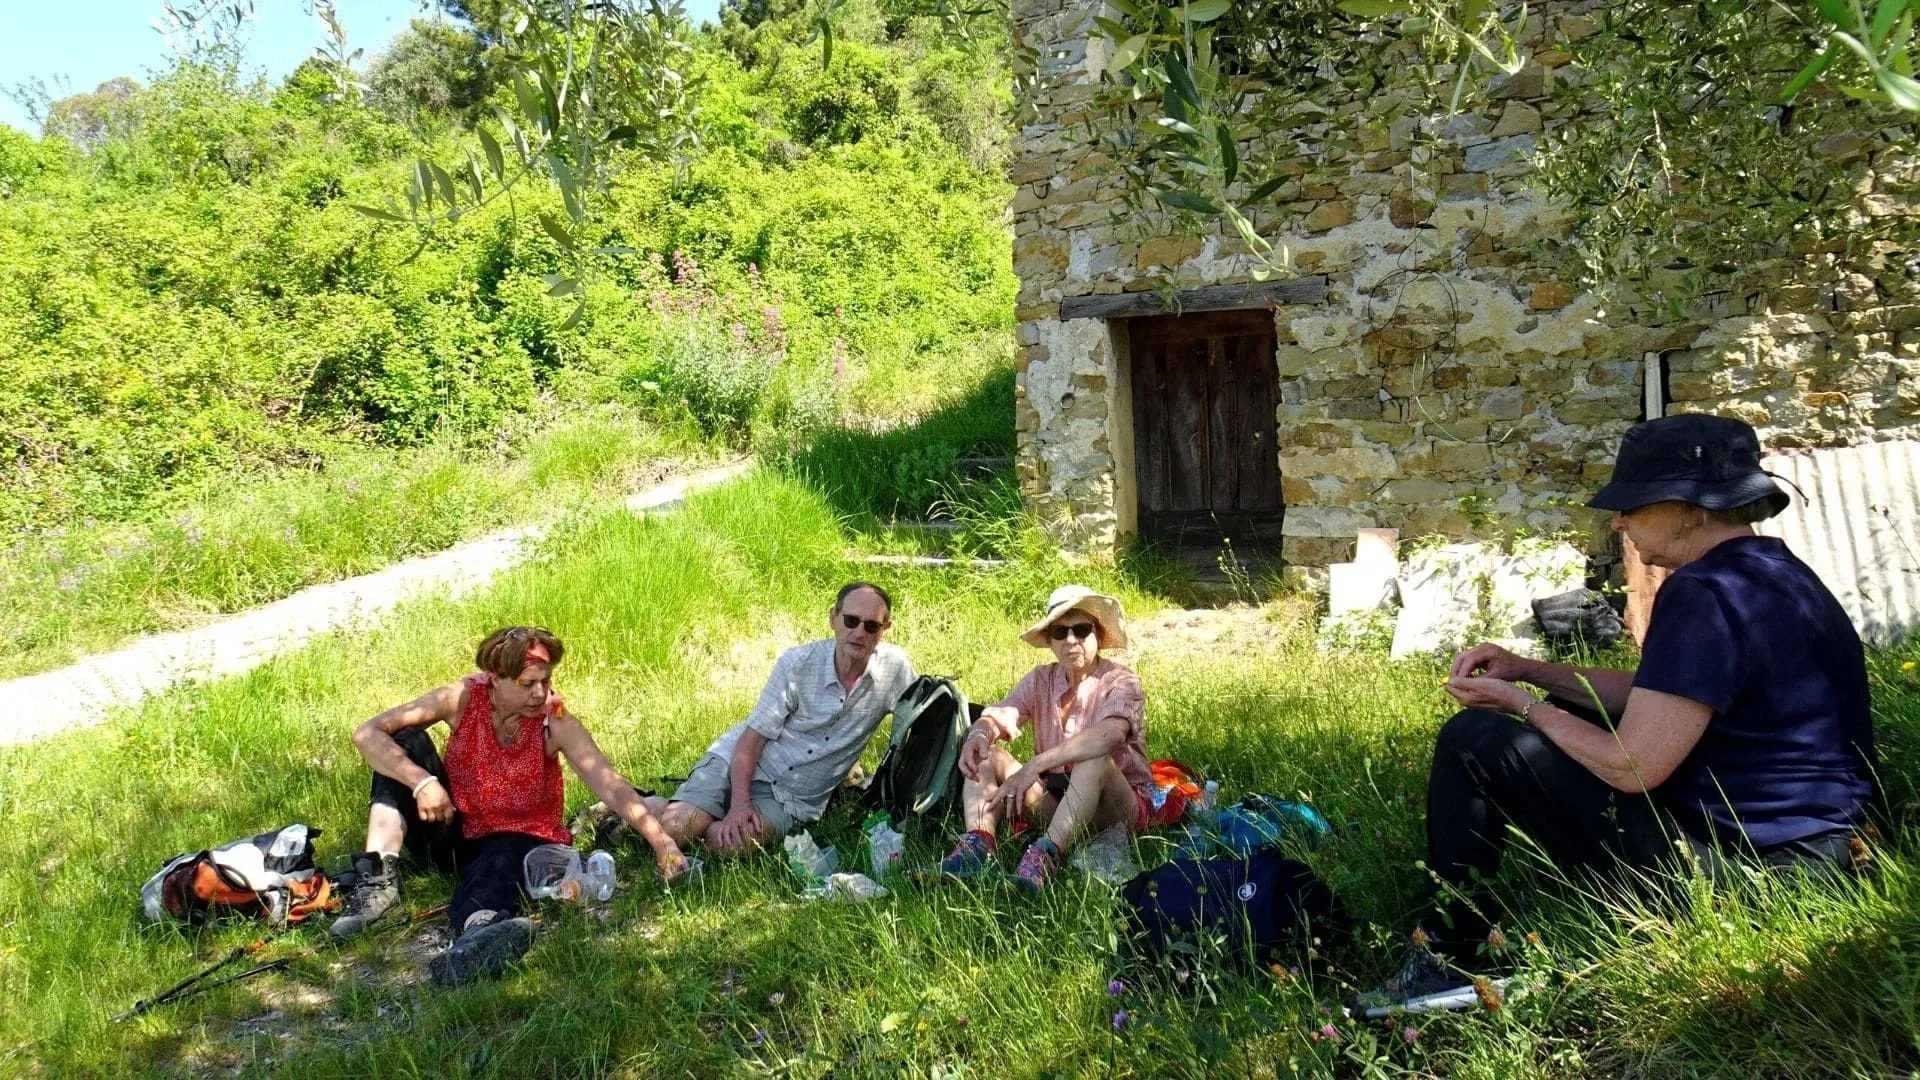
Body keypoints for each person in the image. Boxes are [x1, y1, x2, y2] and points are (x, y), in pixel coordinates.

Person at [1355, 414, 1878, 1015]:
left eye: (1634, 504)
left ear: (1693, 508)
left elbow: (1632, 767)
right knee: (1565, 713)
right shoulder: (1774, 575)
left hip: (1746, 880)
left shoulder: (1702, 592)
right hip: (1825, 864)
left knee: (1476, 739)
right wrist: (1530, 670)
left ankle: (1445, 955)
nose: (1619, 520)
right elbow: (1665, 696)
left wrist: (1519, 706)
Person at [331, 626, 689, 987]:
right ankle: (378, 883)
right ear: (495, 679)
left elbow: (610, 785)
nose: (539, 694)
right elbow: (367, 733)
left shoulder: (555, 720)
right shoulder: (462, 698)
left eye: (545, 682)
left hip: (520, 838)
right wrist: (422, 782)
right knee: (402, 743)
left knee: (503, 855)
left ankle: (480, 933)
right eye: (526, 684)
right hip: (454, 825)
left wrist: (664, 844)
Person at [635, 582, 917, 855]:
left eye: (871, 626)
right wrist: (739, 805)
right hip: (742, 760)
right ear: (833, 618)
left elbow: (927, 716)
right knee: (677, 827)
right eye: (851, 620)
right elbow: (752, 740)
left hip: (795, 797)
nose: (859, 632)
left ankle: (687, 814)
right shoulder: (797, 664)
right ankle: (630, 805)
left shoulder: (894, 670)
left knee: (729, 844)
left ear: (885, 630)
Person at [934, 584, 1182, 891]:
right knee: (988, 756)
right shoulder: (1040, 679)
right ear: (1050, 641)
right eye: (1059, 632)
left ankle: (1044, 856)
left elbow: (1110, 734)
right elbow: (998, 715)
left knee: (1094, 759)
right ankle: (977, 845)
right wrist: (979, 735)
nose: (1071, 640)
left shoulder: (1121, 680)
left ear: (1099, 635)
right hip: (1058, 803)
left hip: (1117, 808)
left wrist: (1035, 764)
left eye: (1081, 629)